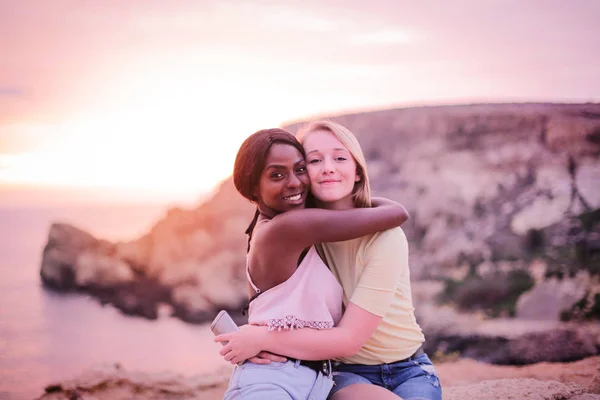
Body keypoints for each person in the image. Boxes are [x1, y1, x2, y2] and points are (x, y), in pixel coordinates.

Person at [216, 121, 442, 400]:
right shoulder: (295, 226)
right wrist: (259, 338)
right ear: (253, 189)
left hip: (408, 367)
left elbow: (393, 216)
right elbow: (397, 212)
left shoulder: (381, 237)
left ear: (358, 171)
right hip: (335, 371)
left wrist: (260, 337)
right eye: (314, 160)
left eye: (340, 158)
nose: (327, 168)